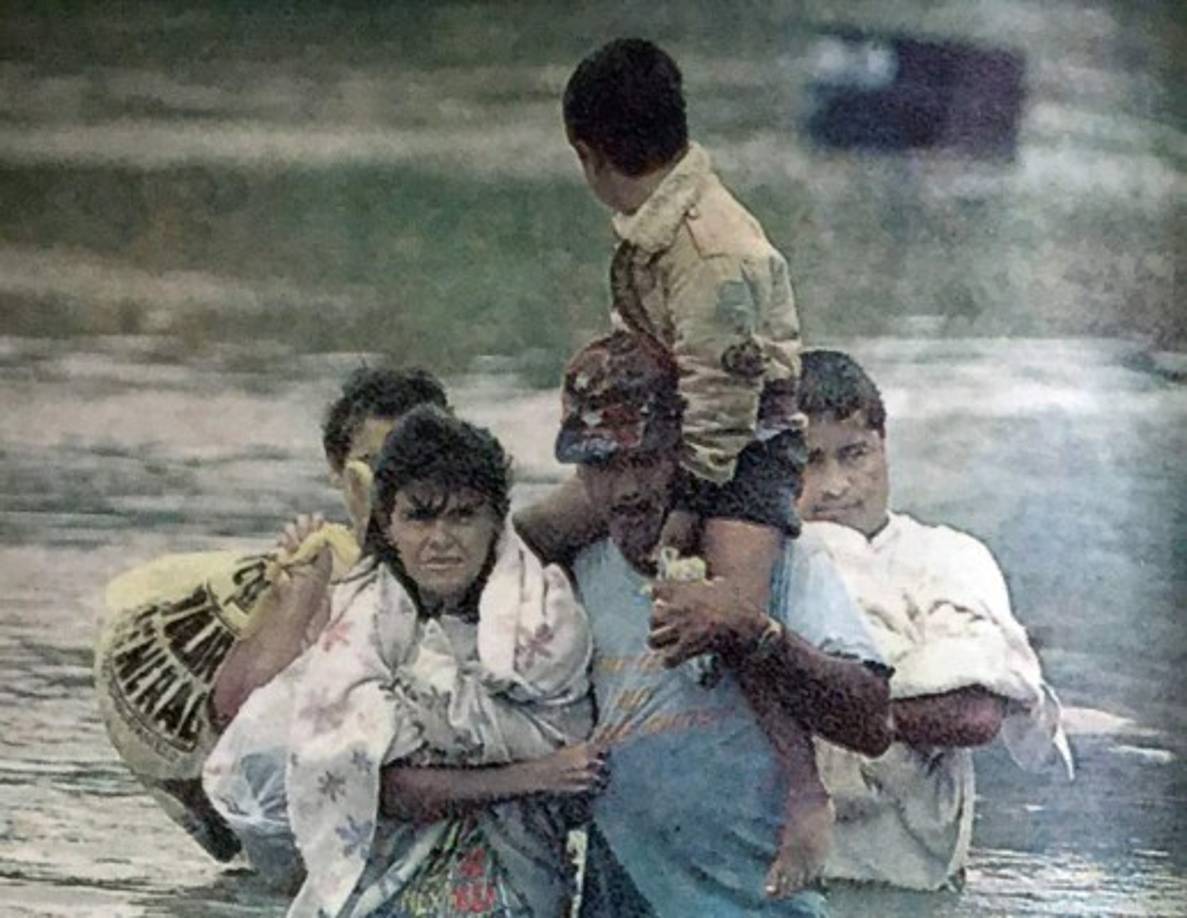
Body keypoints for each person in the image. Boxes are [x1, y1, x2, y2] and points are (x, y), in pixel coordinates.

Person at [519, 38, 831, 894]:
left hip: (745, 455)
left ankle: (805, 794)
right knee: (532, 533)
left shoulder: (711, 250)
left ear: (587, 155)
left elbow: (724, 408)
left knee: (730, 618)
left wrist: (683, 516)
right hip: (665, 442)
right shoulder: (657, 229)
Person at [204, 407, 603, 917]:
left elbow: (573, 746)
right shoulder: (360, 627)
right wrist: (532, 776)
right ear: (389, 524)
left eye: (463, 515)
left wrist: (425, 748)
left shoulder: (546, 620)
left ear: (495, 521)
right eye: (419, 516)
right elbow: (364, 779)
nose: (440, 539)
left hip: (517, 885)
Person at [550, 332, 891, 916]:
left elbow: (873, 723)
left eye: (645, 461)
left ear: (685, 459)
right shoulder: (577, 569)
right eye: (603, 465)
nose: (627, 489)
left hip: (759, 902)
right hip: (626, 896)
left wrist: (758, 633)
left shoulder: (781, 560)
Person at [94, 365, 451, 864]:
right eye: (375, 466)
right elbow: (240, 727)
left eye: (415, 464)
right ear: (341, 471)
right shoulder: (311, 567)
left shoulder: (470, 559)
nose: (394, 486)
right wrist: (298, 601)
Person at [795, 349, 1074, 891]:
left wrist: (801, 689)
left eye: (854, 455)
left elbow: (973, 713)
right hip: (777, 877)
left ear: (883, 447)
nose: (834, 486)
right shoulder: (760, 556)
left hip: (905, 883)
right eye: (809, 461)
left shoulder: (947, 557)